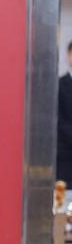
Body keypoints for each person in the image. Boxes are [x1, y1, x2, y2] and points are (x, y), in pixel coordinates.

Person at [58, 41, 72, 185]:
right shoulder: (59, 85)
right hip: (65, 157)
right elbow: (58, 120)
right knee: (61, 202)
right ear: (69, 56)